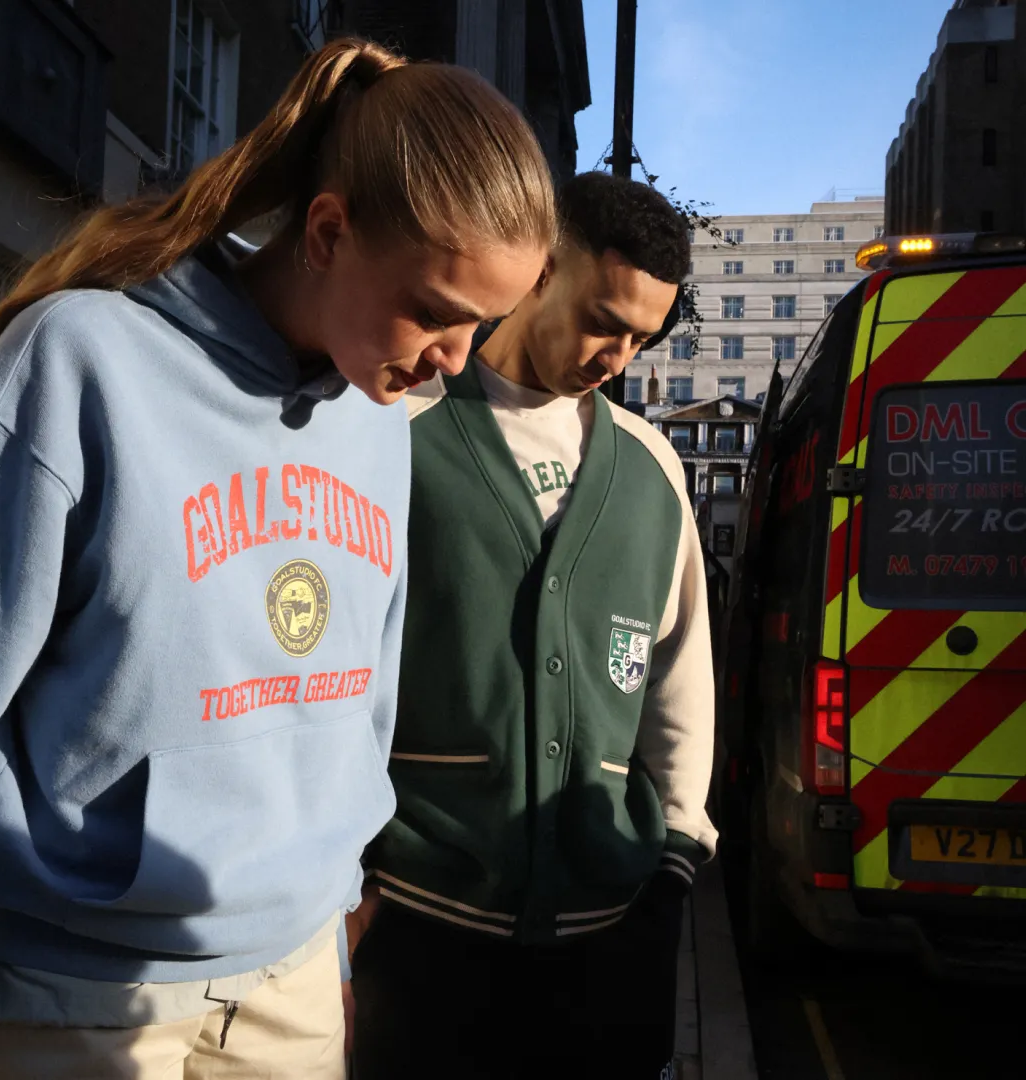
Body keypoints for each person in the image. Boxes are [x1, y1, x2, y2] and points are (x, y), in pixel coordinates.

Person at [0, 37, 553, 1080]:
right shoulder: (81, 360)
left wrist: (336, 915)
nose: (456, 362)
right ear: (327, 231)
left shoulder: (385, 416)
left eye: (483, 325)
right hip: (72, 991)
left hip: (293, 987)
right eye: (440, 314)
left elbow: (368, 685)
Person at [350, 171, 716, 1080]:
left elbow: (681, 680)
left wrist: (672, 867)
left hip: (606, 945)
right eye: (604, 319)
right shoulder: (398, 428)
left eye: (642, 336)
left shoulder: (652, 471)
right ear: (542, 268)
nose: (618, 357)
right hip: (421, 934)